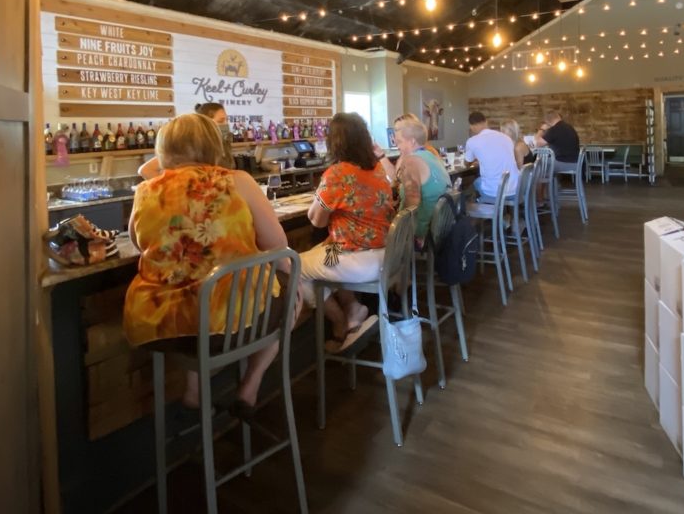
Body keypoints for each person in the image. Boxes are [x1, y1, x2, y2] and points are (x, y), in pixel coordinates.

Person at [123, 113, 297, 417]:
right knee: (292, 296)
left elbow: (139, 244)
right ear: (213, 144)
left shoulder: (146, 190)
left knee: (199, 293)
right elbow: (277, 244)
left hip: (162, 326)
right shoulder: (236, 181)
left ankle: (194, 391)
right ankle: (250, 386)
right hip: (227, 323)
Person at [304, 113, 396, 352]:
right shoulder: (377, 169)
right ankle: (353, 308)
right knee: (321, 251)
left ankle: (339, 322)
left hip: (357, 258)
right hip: (385, 253)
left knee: (294, 266)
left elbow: (315, 219)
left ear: (334, 142)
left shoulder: (337, 173)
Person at [375, 114, 451, 244]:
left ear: (412, 141)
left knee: (373, 227)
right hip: (442, 224)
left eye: (399, 142)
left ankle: (390, 263)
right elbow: (398, 179)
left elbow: (411, 203)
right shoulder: (430, 156)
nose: (397, 146)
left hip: (423, 229)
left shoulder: (411, 161)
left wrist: (395, 223)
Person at [138, 102, 234, 180]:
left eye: (226, 120)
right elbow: (146, 170)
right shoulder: (191, 145)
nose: (226, 124)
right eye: (221, 121)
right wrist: (176, 188)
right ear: (206, 123)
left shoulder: (224, 142)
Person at [464, 111, 520, 199]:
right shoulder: (506, 138)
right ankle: (496, 209)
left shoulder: (472, 141)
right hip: (515, 189)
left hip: (495, 192)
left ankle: (484, 210)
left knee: (475, 183)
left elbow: (467, 162)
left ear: (471, 127)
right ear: (486, 122)